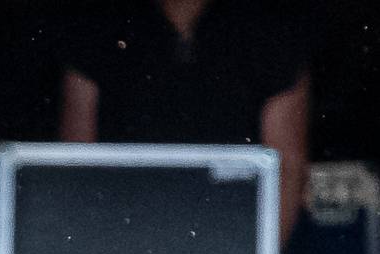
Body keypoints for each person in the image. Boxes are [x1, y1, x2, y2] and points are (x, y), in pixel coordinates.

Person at [58, 0, 313, 239]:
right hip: (123, 231)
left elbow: (287, 170)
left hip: (229, 234)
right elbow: (76, 165)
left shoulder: (269, 33)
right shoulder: (99, 29)